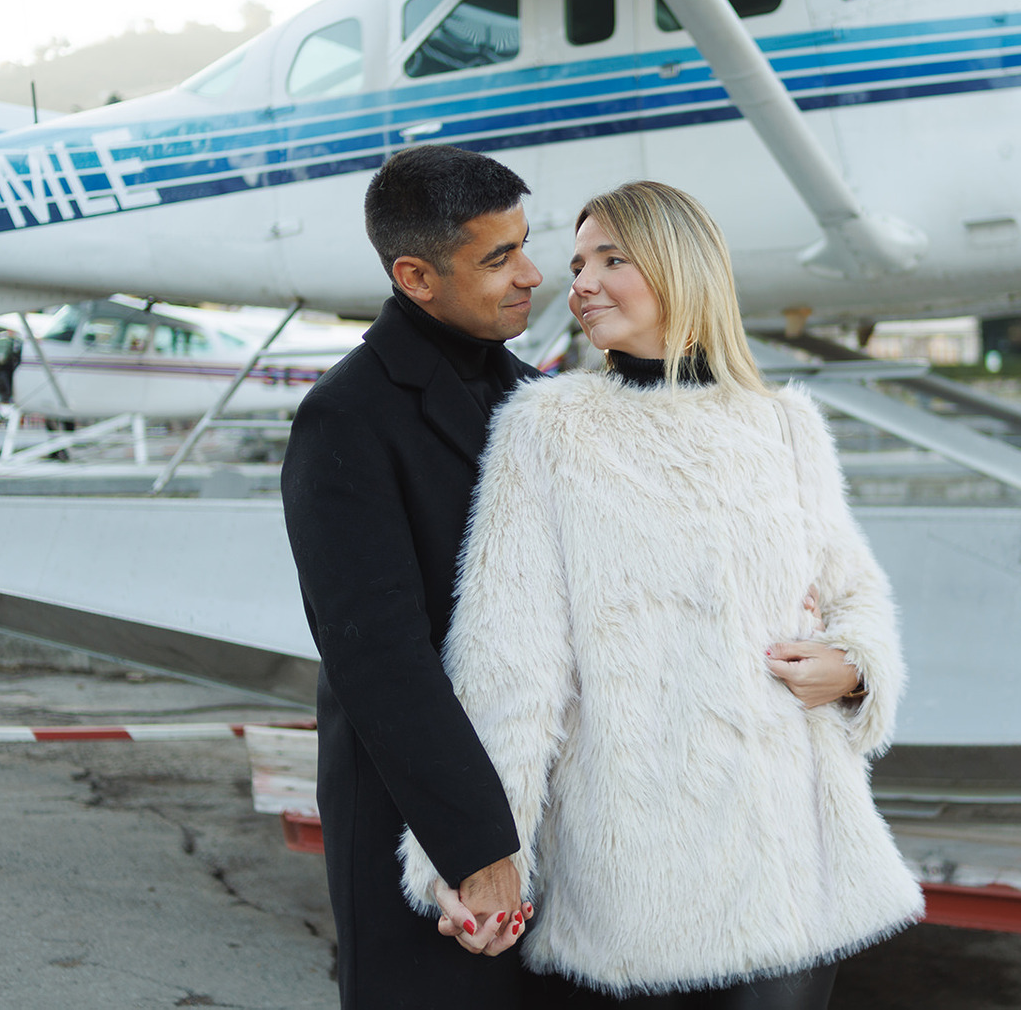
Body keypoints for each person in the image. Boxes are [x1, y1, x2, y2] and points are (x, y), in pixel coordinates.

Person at [400, 181, 924, 1007]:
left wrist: (856, 667)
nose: (582, 282)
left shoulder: (785, 423)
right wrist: (474, 857)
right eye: (578, 264)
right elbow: (511, 666)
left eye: (612, 258)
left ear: (681, 266)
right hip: (639, 871)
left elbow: (854, 590)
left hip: (794, 862)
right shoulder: (548, 427)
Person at [281, 145, 545, 1009]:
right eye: (499, 257)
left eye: (525, 245)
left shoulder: (535, 398)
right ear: (416, 276)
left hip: (540, 806)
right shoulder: (345, 417)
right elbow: (379, 657)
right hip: (421, 818)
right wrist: (476, 844)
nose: (531, 274)